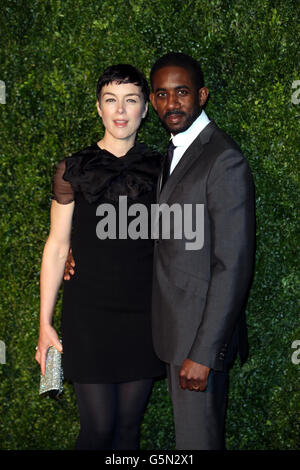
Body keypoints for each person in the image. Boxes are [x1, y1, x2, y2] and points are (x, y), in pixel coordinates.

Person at [35, 64, 165, 450]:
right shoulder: (73, 169)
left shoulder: (164, 169)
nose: (121, 111)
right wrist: (44, 324)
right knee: (97, 430)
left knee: (127, 431)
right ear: (98, 108)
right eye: (111, 100)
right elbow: (57, 246)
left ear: (145, 109)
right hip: (88, 317)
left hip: (144, 317)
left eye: (131, 101)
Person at [148, 52, 256, 450]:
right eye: (161, 94)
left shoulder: (222, 158)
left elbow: (233, 264)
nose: (171, 103)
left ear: (202, 95)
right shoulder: (175, 153)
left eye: (182, 92)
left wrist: (205, 352)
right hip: (174, 334)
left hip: (197, 343)